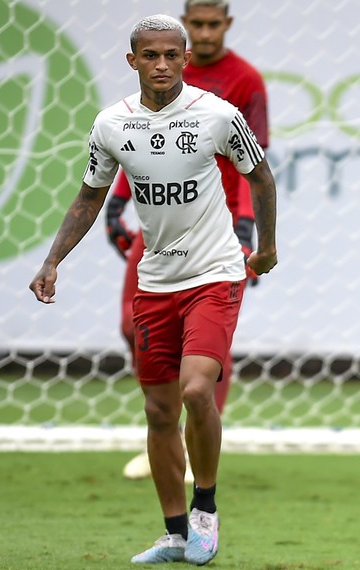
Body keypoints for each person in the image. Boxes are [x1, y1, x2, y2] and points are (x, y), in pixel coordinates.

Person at [29, 14, 277, 566]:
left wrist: (266, 247)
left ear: (185, 59)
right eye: (150, 55)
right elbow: (90, 196)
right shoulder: (111, 124)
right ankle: (173, 533)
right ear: (132, 61)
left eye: (171, 55)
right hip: (155, 281)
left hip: (215, 273)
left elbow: (260, 176)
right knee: (159, 410)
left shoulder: (218, 115)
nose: (161, 64)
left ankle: (205, 506)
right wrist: (52, 260)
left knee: (196, 390)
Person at [106, 0, 270, 481]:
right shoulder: (159, 73)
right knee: (131, 325)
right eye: (196, 23)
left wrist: (246, 227)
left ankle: (194, 438)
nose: (204, 32)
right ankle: (167, 428)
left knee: (206, 345)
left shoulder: (245, 81)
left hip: (216, 224)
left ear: (226, 24)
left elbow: (255, 163)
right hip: (158, 222)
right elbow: (140, 145)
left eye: (212, 24)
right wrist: (118, 201)